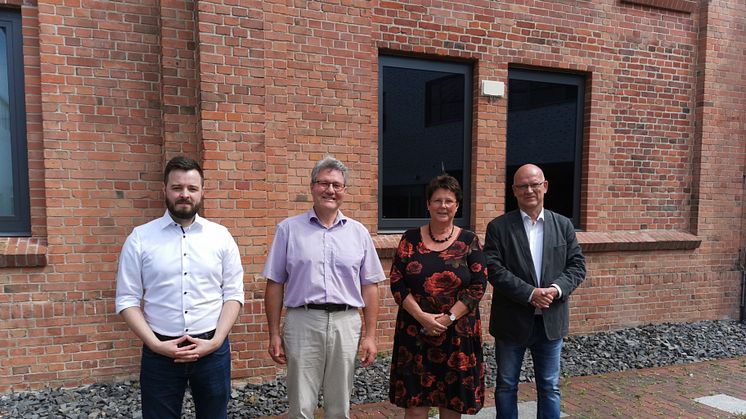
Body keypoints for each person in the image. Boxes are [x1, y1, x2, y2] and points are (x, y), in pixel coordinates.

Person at [115, 156, 245, 419]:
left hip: (212, 349)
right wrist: (154, 344)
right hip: (159, 352)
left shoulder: (221, 236)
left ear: (202, 192)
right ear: (164, 189)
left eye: (192, 188)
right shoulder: (140, 238)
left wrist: (217, 341)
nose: (184, 194)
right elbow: (127, 299)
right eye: (177, 188)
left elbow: (233, 293)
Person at [263, 156, 386, 419]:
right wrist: (274, 333)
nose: (330, 190)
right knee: (300, 404)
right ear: (312, 187)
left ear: (344, 191)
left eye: (337, 185)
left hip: (346, 322)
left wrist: (370, 335)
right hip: (302, 321)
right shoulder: (288, 230)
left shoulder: (359, 233)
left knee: (339, 404)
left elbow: (370, 286)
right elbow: (274, 283)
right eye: (324, 183)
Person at [483, 164, 586, 419]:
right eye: (522, 186)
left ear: (545, 187)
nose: (529, 190)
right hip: (512, 320)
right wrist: (530, 293)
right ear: (514, 191)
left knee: (549, 386)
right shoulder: (499, 227)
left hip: (551, 321)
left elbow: (577, 266)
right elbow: (494, 270)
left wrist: (555, 289)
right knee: (506, 385)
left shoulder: (563, 225)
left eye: (534, 184)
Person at [388, 175, 487, 418]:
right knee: (415, 407)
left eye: (449, 201)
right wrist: (422, 317)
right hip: (415, 332)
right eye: (437, 200)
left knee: (451, 405)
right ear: (428, 204)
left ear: (457, 205)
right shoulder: (409, 239)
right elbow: (397, 282)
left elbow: (478, 285)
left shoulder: (469, 240)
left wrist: (448, 318)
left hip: (456, 334)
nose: (443, 206)